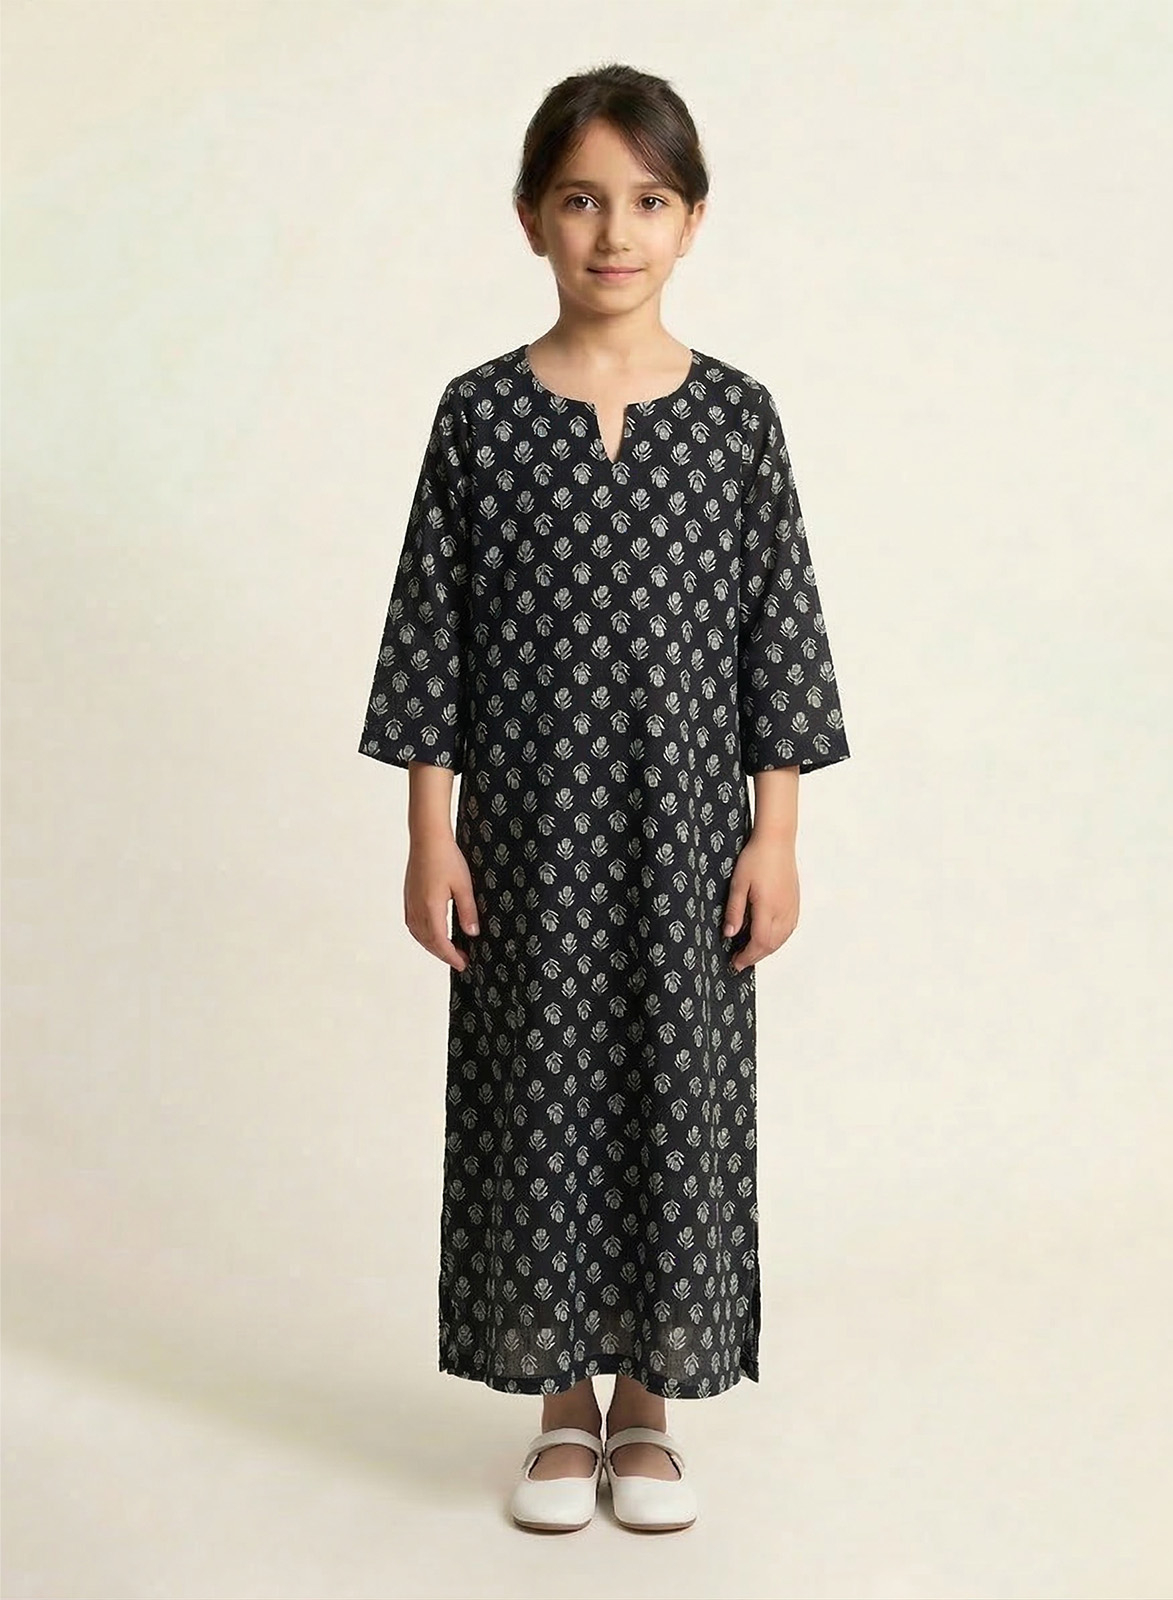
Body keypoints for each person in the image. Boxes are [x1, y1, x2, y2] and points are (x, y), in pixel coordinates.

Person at [357, 62, 851, 1534]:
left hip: (688, 845)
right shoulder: (479, 418)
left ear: (692, 220)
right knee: (535, 1102)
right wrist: (428, 834)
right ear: (531, 218)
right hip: (526, 845)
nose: (614, 232)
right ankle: (559, 1410)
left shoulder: (740, 421)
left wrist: (776, 834)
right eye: (581, 199)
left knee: (674, 1105)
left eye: (647, 200)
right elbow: (430, 636)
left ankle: (649, 1410)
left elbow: (778, 636)